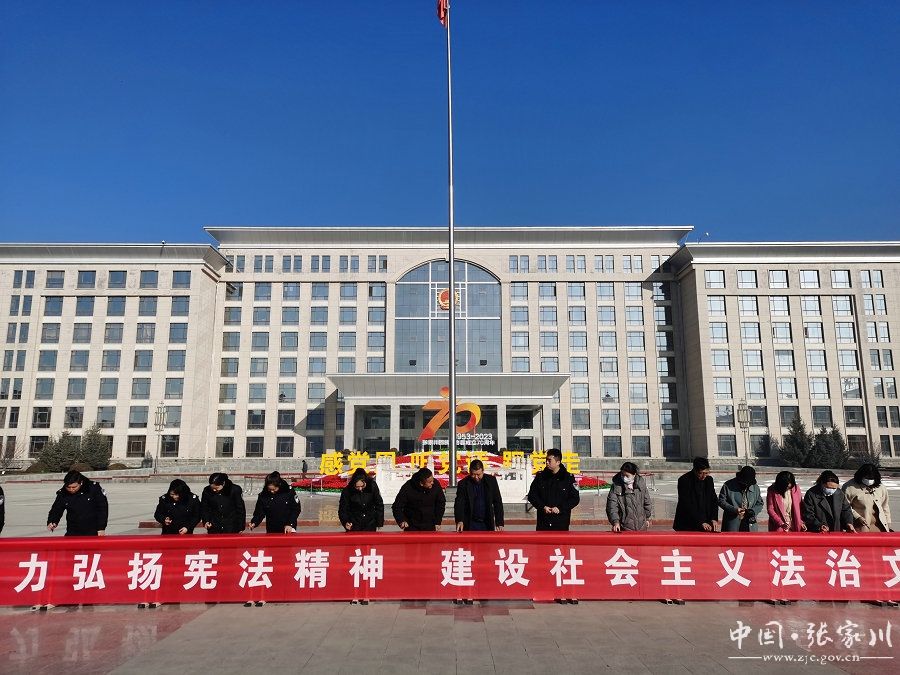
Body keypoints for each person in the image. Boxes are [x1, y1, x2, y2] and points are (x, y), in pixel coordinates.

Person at [527, 448, 580, 531]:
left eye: (549, 460)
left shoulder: (568, 478)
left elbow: (575, 499)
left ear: (558, 462)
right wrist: (543, 507)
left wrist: (560, 508)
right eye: (546, 460)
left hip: (561, 523)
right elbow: (532, 495)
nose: (547, 462)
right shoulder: (540, 477)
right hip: (543, 522)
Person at [47, 470, 108, 536]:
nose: (71, 489)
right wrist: (53, 521)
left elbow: (102, 508)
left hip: (93, 529)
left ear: (81, 482)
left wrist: (101, 527)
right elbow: (56, 508)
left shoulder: (93, 488)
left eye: (74, 487)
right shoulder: (63, 492)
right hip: (73, 529)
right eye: (68, 487)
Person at [455, 459, 505, 532]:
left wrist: (499, 522)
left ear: (483, 471)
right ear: (470, 472)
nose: (476, 477)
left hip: (486, 523)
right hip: (470, 523)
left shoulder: (491, 481)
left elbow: (497, 502)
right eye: (473, 474)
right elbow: (459, 504)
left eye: (478, 474)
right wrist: (460, 520)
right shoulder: (463, 484)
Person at [392, 467, 446, 531]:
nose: (432, 483)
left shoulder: (436, 485)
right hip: (412, 525)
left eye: (432, 480)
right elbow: (397, 506)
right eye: (429, 482)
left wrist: (438, 521)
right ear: (421, 483)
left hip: (430, 524)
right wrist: (401, 520)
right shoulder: (408, 487)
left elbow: (441, 503)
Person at [673, 457, 718, 532]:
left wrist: (714, 518)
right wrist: (700, 521)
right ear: (695, 470)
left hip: (706, 522)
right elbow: (686, 503)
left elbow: (713, 500)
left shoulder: (709, 480)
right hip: (687, 522)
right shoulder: (684, 480)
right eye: (701, 473)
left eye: (706, 473)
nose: (704, 476)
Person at [843, 463, 892, 532]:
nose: (869, 480)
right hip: (860, 527)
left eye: (871, 478)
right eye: (867, 478)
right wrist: (857, 517)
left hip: (880, 526)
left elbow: (885, 506)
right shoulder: (849, 487)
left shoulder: (881, 487)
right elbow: (845, 507)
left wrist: (888, 522)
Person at [606, 461, 652, 532]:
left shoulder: (641, 485)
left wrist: (647, 518)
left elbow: (647, 503)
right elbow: (612, 506)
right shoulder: (616, 486)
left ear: (634, 475)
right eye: (622, 475)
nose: (624, 478)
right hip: (624, 526)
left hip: (642, 526)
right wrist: (615, 522)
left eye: (627, 476)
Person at [718, 466, 763, 532]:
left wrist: (752, 511)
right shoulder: (728, 485)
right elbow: (721, 501)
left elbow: (760, 503)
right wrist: (734, 509)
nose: (746, 485)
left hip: (750, 523)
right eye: (744, 483)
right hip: (732, 522)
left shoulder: (755, 487)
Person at [338, 468, 384, 532]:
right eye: (357, 487)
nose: (360, 489)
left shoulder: (372, 486)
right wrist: (345, 522)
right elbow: (343, 509)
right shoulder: (347, 490)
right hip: (354, 523)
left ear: (365, 482)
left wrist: (379, 522)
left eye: (362, 486)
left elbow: (379, 504)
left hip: (370, 523)